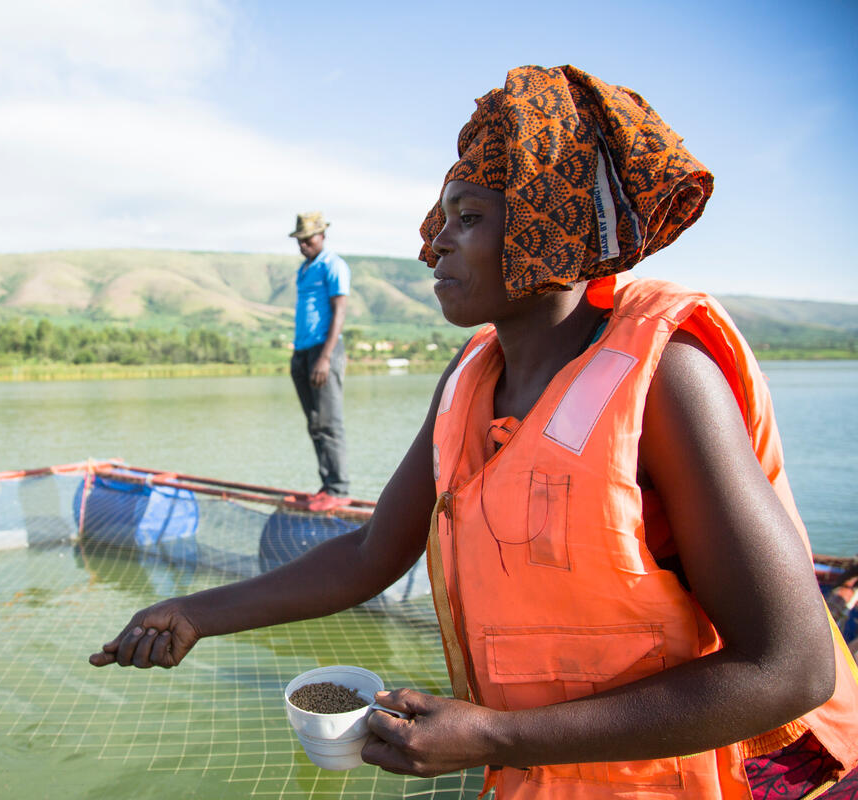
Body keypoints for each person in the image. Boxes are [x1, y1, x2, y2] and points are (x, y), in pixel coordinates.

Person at [90, 65, 858, 798]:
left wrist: (496, 736)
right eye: (443, 215)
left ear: (546, 230)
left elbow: (790, 670)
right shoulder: (469, 378)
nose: (435, 243)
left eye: (468, 218)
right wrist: (194, 614)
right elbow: (368, 553)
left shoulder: (666, 380)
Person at [288, 211, 351, 508]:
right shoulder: (304, 269)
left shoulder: (333, 264)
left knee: (329, 422)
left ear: (322, 236)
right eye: (299, 240)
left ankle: (339, 489)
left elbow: (339, 311)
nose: (303, 245)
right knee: (315, 423)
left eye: (308, 239)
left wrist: (325, 358)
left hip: (324, 351)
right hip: (302, 351)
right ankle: (327, 485)